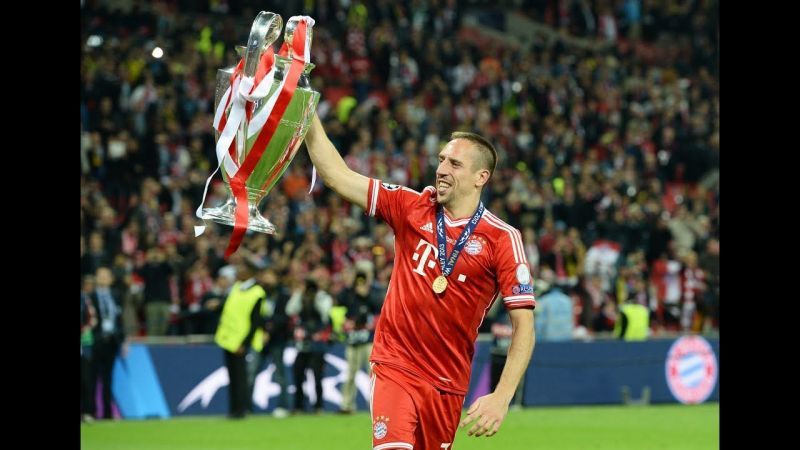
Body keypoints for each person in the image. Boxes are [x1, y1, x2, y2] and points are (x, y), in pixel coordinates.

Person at [304, 113, 536, 448]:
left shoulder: (502, 239)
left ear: (480, 177)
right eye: (442, 159)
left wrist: (502, 397)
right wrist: (308, 114)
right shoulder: (410, 206)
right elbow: (337, 176)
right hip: (395, 364)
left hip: (447, 384)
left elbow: (525, 327)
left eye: (455, 164)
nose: (441, 169)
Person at [214, 259, 267, 419]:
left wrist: (244, 343)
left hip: (241, 341)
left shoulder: (257, 292)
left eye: (241, 269)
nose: (237, 272)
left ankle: (242, 409)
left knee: (241, 377)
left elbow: (256, 321)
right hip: (228, 339)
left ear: (250, 273)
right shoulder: (236, 288)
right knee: (232, 376)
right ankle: (233, 409)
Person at [337, 269, 383, 414]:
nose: (360, 284)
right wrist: (350, 287)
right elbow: (339, 299)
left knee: (373, 374)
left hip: (368, 339)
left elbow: (379, 306)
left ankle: (376, 405)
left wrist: (367, 294)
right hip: (352, 339)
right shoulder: (349, 294)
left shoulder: (372, 293)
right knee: (350, 374)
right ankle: (346, 405)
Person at [88, 267, 128, 419]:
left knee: (108, 378)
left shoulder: (116, 296)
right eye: (101, 276)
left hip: (111, 341)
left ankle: (107, 413)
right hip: (95, 341)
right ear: (96, 278)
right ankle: (90, 411)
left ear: (111, 278)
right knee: (91, 377)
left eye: (106, 275)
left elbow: (119, 320)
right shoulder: (90, 297)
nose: (104, 278)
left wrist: (123, 341)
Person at [288, 279, 332, 414]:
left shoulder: (323, 297)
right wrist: (298, 295)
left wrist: (316, 298)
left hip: (317, 343)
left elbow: (325, 314)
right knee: (298, 374)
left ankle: (318, 406)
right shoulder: (301, 297)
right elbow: (290, 310)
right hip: (303, 343)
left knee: (317, 376)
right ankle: (299, 406)